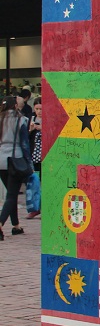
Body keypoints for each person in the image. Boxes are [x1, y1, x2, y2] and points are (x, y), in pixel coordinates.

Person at [0, 95, 32, 240]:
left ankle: (16, 225)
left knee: (10, 195)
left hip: (1, 160)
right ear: (14, 106)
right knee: (12, 195)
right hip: (16, 159)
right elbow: (25, 144)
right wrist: (29, 163)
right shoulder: (21, 120)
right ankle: (0, 223)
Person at [26, 97, 42, 218]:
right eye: (37, 109)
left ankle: (42, 207)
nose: (39, 112)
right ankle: (35, 208)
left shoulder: (49, 119)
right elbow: (25, 138)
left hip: (45, 156)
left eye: (41, 109)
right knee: (35, 183)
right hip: (34, 156)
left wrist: (43, 128)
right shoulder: (31, 119)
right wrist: (31, 130)